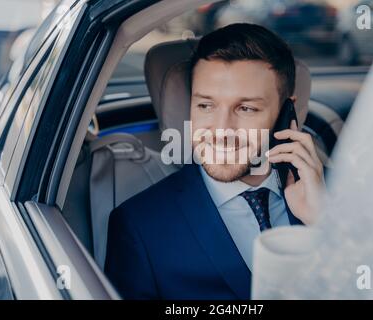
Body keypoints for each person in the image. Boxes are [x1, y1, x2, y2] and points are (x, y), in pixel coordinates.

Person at [104, 23, 325, 299]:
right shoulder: (139, 226)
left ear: (286, 112)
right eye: (206, 106)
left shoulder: (332, 197)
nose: (222, 131)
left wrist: (324, 224)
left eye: (246, 108)